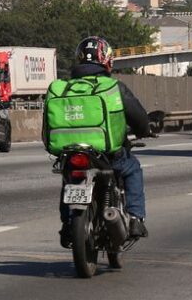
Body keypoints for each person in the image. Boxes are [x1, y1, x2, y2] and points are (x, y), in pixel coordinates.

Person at [47, 36, 153, 249]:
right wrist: (145, 130)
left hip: (70, 152)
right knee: (132, 168)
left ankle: (67, 224)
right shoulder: (113, 87)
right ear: (106, 60)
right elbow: (138, 116)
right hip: (108, 155)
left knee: (69, 179)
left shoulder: (61, 88)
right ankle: (135, 219)